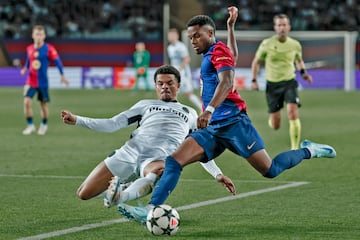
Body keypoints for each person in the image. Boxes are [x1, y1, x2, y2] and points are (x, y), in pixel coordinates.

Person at [117, 9, 336, 224]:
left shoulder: (217, 51)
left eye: (197, 36)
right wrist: (231, 27)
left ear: (210, 34)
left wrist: (209, 110)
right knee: (174, 161)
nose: (193, 41)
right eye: (190, 36)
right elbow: (234, 56)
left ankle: (309, 150)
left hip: (234, 124)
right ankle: (150, 209)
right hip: (212, 130)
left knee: (270, 170)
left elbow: (227, 81)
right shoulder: (214, 52)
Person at [61, 65, 235, 208]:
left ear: (179, 85)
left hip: (157, 159)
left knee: (160, 170)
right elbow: (112, 124)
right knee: (83, 193)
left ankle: (121, 197)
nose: (164, 86)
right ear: (156, 86)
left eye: (169, 83)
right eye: (160, 83)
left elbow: (197, 149)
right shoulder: (145, 105)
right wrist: (77, 120)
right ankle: (122, 189)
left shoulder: (190, 113)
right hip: (128, 153)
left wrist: (217, 174)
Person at [251, 14, 313, 150]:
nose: (282, 28)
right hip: (272, 85)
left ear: (289, 27)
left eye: (284, 25)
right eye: (279, 25)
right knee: (275, 124)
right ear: (275, 27)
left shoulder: (295, 45)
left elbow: (298, 60)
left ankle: (295, 148)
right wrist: (254, 80)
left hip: (289, 82)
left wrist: (304, 73)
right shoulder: (267, 44)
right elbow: (256, 62)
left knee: (292, 112)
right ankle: (272, 119)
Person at [21, 25, 69, 135]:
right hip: (31, 81)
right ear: (32, 35)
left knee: (43, 105)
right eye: (37, 34)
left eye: (41, 34)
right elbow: (29, 60)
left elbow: (57, 61)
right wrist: (25, 67)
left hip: (43, 82)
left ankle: (43, 125)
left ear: (44, 36)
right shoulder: (29, 48)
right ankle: (30, 125)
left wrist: (62, 75)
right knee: (26, 102)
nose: (39, 37)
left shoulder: (49, 49)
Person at [167, 28, 203, 111]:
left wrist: (179, 69)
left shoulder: (181, 46)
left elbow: (187, 59)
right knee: (172, 91)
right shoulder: (169, 48)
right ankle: (172, 110)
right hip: (175, 73)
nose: (170, 37)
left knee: (188, 94)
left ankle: (202, 108)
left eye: (172, 35)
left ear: (177, 36)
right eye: (169, 35)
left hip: (183, 73)